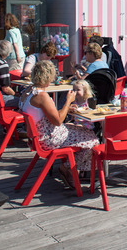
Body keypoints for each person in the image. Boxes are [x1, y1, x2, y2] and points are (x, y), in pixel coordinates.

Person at [19, 60, 99, 188]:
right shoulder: (42, 96)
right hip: (49, 138)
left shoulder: (27, 91)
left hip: (37, 137)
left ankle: (70, 168)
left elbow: (44, 115)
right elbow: (58, 121)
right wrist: (68, 102)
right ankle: (68, 167)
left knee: (83, 132)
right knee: (93, 139)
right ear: (48, 76)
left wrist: (66, 109)